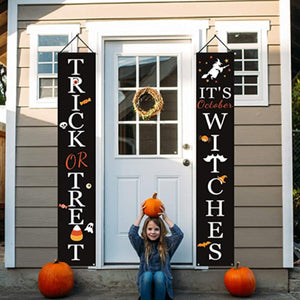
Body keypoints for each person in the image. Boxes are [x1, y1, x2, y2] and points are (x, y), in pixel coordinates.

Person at [128, 201, 184, 300]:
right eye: (149, 229)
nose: (153, 232)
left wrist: (165, 218)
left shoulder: (167, 245)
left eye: (156, 229)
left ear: (161, 230)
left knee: (159, 275)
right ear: (145, 230)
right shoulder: (142, 245)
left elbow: (179, 235)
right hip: (146, 285)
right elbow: (132, 234)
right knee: (147, 275)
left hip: (162, 287)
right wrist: (141, 216)